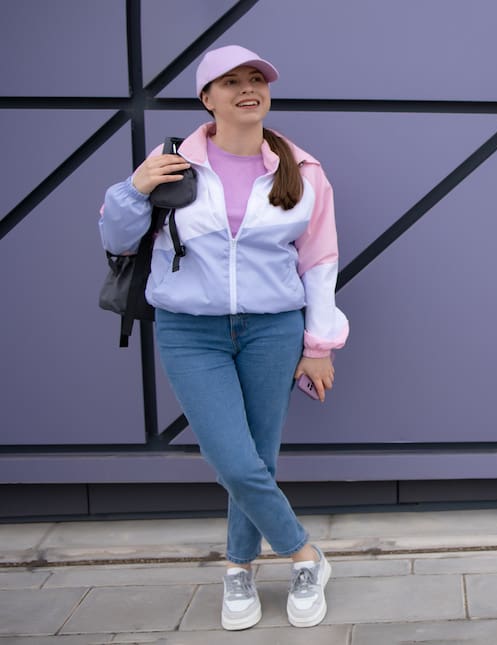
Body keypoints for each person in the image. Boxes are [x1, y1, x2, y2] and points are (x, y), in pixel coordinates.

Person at [99, 45, 349, 630]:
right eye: (230, 81)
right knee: (234, 460)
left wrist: (318, 346)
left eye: (256, 79)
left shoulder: (302, 170)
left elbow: (319, 262)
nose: (247, 89)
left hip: (274, 328)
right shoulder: (172, 164)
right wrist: (133, 189)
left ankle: (238, 568)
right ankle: (304, 554)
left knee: (258, 458)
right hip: (191, 332)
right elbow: (116, 239)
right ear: (206, 98)